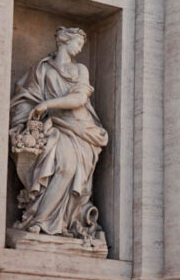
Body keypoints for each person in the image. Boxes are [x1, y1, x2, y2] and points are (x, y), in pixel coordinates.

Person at [9, 27, 108, 239]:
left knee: (69, 168)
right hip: (53, 126)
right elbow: (27, 98)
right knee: (59, 166)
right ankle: (41, 220)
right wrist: (26, 119)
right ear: (65, 41)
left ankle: (52, 221)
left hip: (81, 128)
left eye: (82, 44)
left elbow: (79, 99)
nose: (80, 47)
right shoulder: (42, 69)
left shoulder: (80, 69)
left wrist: (46, 104)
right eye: (78, 42)